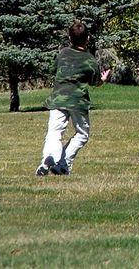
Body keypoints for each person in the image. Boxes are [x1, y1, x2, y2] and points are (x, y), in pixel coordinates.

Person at [35, 22, 110, 176]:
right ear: (88, 38)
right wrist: (104, 78)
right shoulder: (89, 60)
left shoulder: (62, 53)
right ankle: (63, 164)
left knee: (54, 133)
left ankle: (48, 159)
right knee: (82, 134)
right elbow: (95, 82)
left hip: (58, 99)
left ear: (69, 38)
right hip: (77, 101)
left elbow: (53, 69)